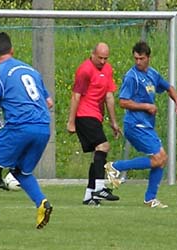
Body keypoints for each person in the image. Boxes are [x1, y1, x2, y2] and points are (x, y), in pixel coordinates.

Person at [0, 32, 53, 231]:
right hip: (42, 127)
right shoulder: (32, 71)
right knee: (21, 171)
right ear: (12, 50)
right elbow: (48, 102)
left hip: (19, 127)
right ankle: (42, 203)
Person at [105, 41, 177, 208]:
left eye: (141, 58)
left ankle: (150, 199)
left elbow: (169, 87)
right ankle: (115, 166)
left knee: (162, 159)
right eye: (136, 58)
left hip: (146, 125)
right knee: (158, 159)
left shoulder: (153, 74)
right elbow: (123, 102)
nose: (138, 62)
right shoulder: (131, 77)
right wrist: (146, 106)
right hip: (135, 125)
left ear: (148, 57)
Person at [67, 42, 121, 206]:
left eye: (106, 58)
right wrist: (71, 122)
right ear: (93, 54)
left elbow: (109, 97)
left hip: (96, 116)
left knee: (97, 153)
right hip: (84, 114)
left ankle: (89, 195)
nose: (103, 61)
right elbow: (76, 96)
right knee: (103, 146)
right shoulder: (85, 70)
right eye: (100, 58)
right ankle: (99, 188)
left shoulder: (108, 69)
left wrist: (113, 122)